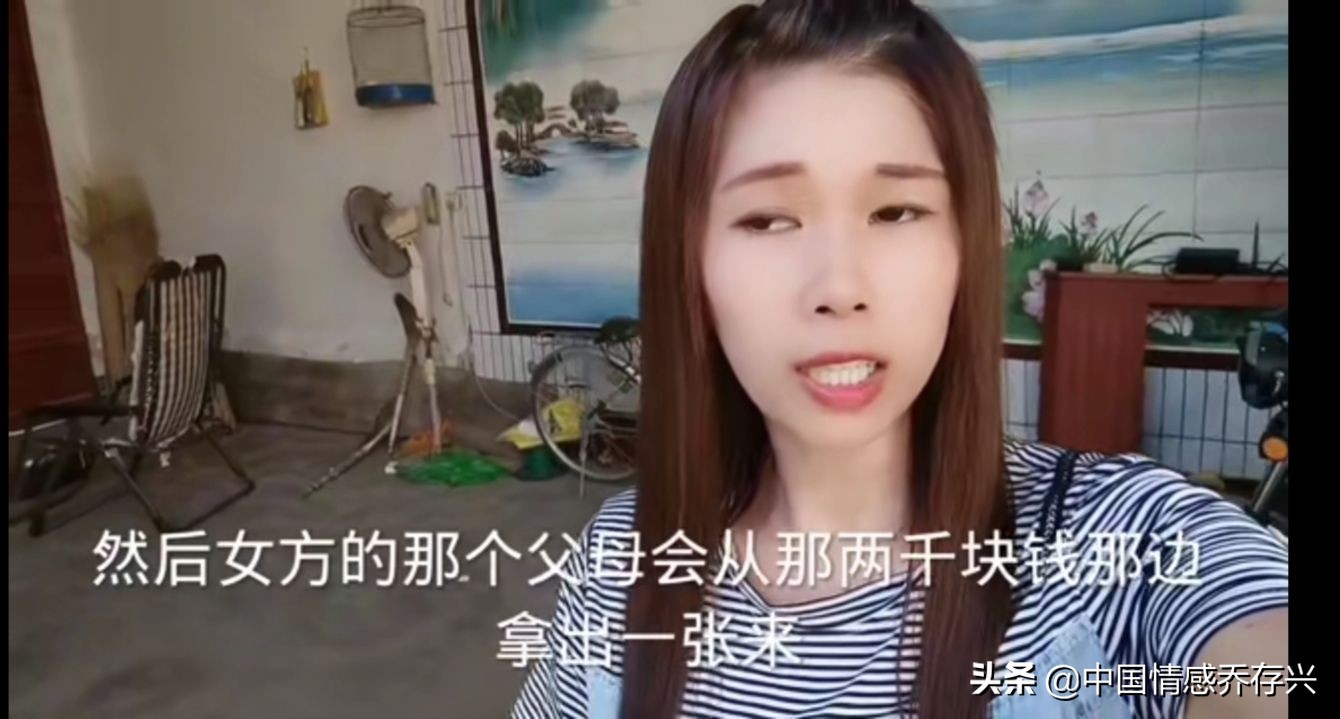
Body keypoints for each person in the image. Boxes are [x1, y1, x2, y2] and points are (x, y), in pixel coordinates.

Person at [511, 1, 1288, 717]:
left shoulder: (1122, 547)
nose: (840, 288)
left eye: (896, 211)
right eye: (769, 220)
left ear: (966, 246)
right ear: (689, 262)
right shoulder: (624, 556)